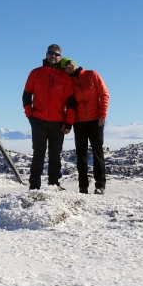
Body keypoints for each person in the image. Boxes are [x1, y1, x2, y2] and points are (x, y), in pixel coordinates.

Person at [22, 44, 75, 190]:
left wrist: (68, 122)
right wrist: (30, 116)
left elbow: (71, 102)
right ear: (46, 54)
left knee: (55, 155)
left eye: (57, 54)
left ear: (60, 57)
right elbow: (26, 95)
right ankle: (34, 186)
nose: (53, 56)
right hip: (38, 120)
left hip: (58, 122)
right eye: (51, 53)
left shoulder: (65, 77)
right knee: (38, 153)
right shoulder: (35, 73)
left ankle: (54, 184)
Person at [59, 57, 109, 194]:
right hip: (79, 122)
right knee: (81, 155)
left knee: (97, 152)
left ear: (74, 63)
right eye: (65, 67)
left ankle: (100, 185)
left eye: (69, 63)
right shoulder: (69, 82)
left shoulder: (91, 74)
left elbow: (104, 95)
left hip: (95, 120)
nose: (68, 67)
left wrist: (102, 114)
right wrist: (67, 122)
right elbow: (67, 104)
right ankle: (83, 186)